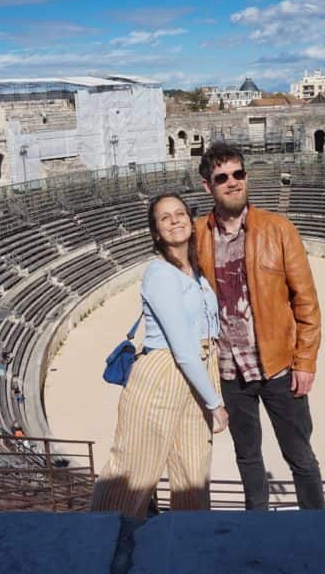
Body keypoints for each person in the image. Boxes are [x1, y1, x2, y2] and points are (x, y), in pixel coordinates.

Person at [194, 142, 325, 510]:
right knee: (248, 458)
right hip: (228, 371)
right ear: (208, 186)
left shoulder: (278, 229)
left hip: (279, 367)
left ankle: (320, 526)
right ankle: (257, 528)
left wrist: (306, 361)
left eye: (238, 174)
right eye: (222, 177)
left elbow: (306, 302)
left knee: (300, 456)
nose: (232, 182)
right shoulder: (197, 235)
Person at [91, 193, 229, 519]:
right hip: (165, 371)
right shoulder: (160, 274)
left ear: (191, 222)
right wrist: (216, 404)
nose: (175, 220)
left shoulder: (194, 272)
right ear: (155, 231)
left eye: (180, 213)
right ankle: (102, 536)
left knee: (193, 473)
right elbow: (182, 348)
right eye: (164, 218)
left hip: (199, 368)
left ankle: (188, 541)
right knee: (135, 467)